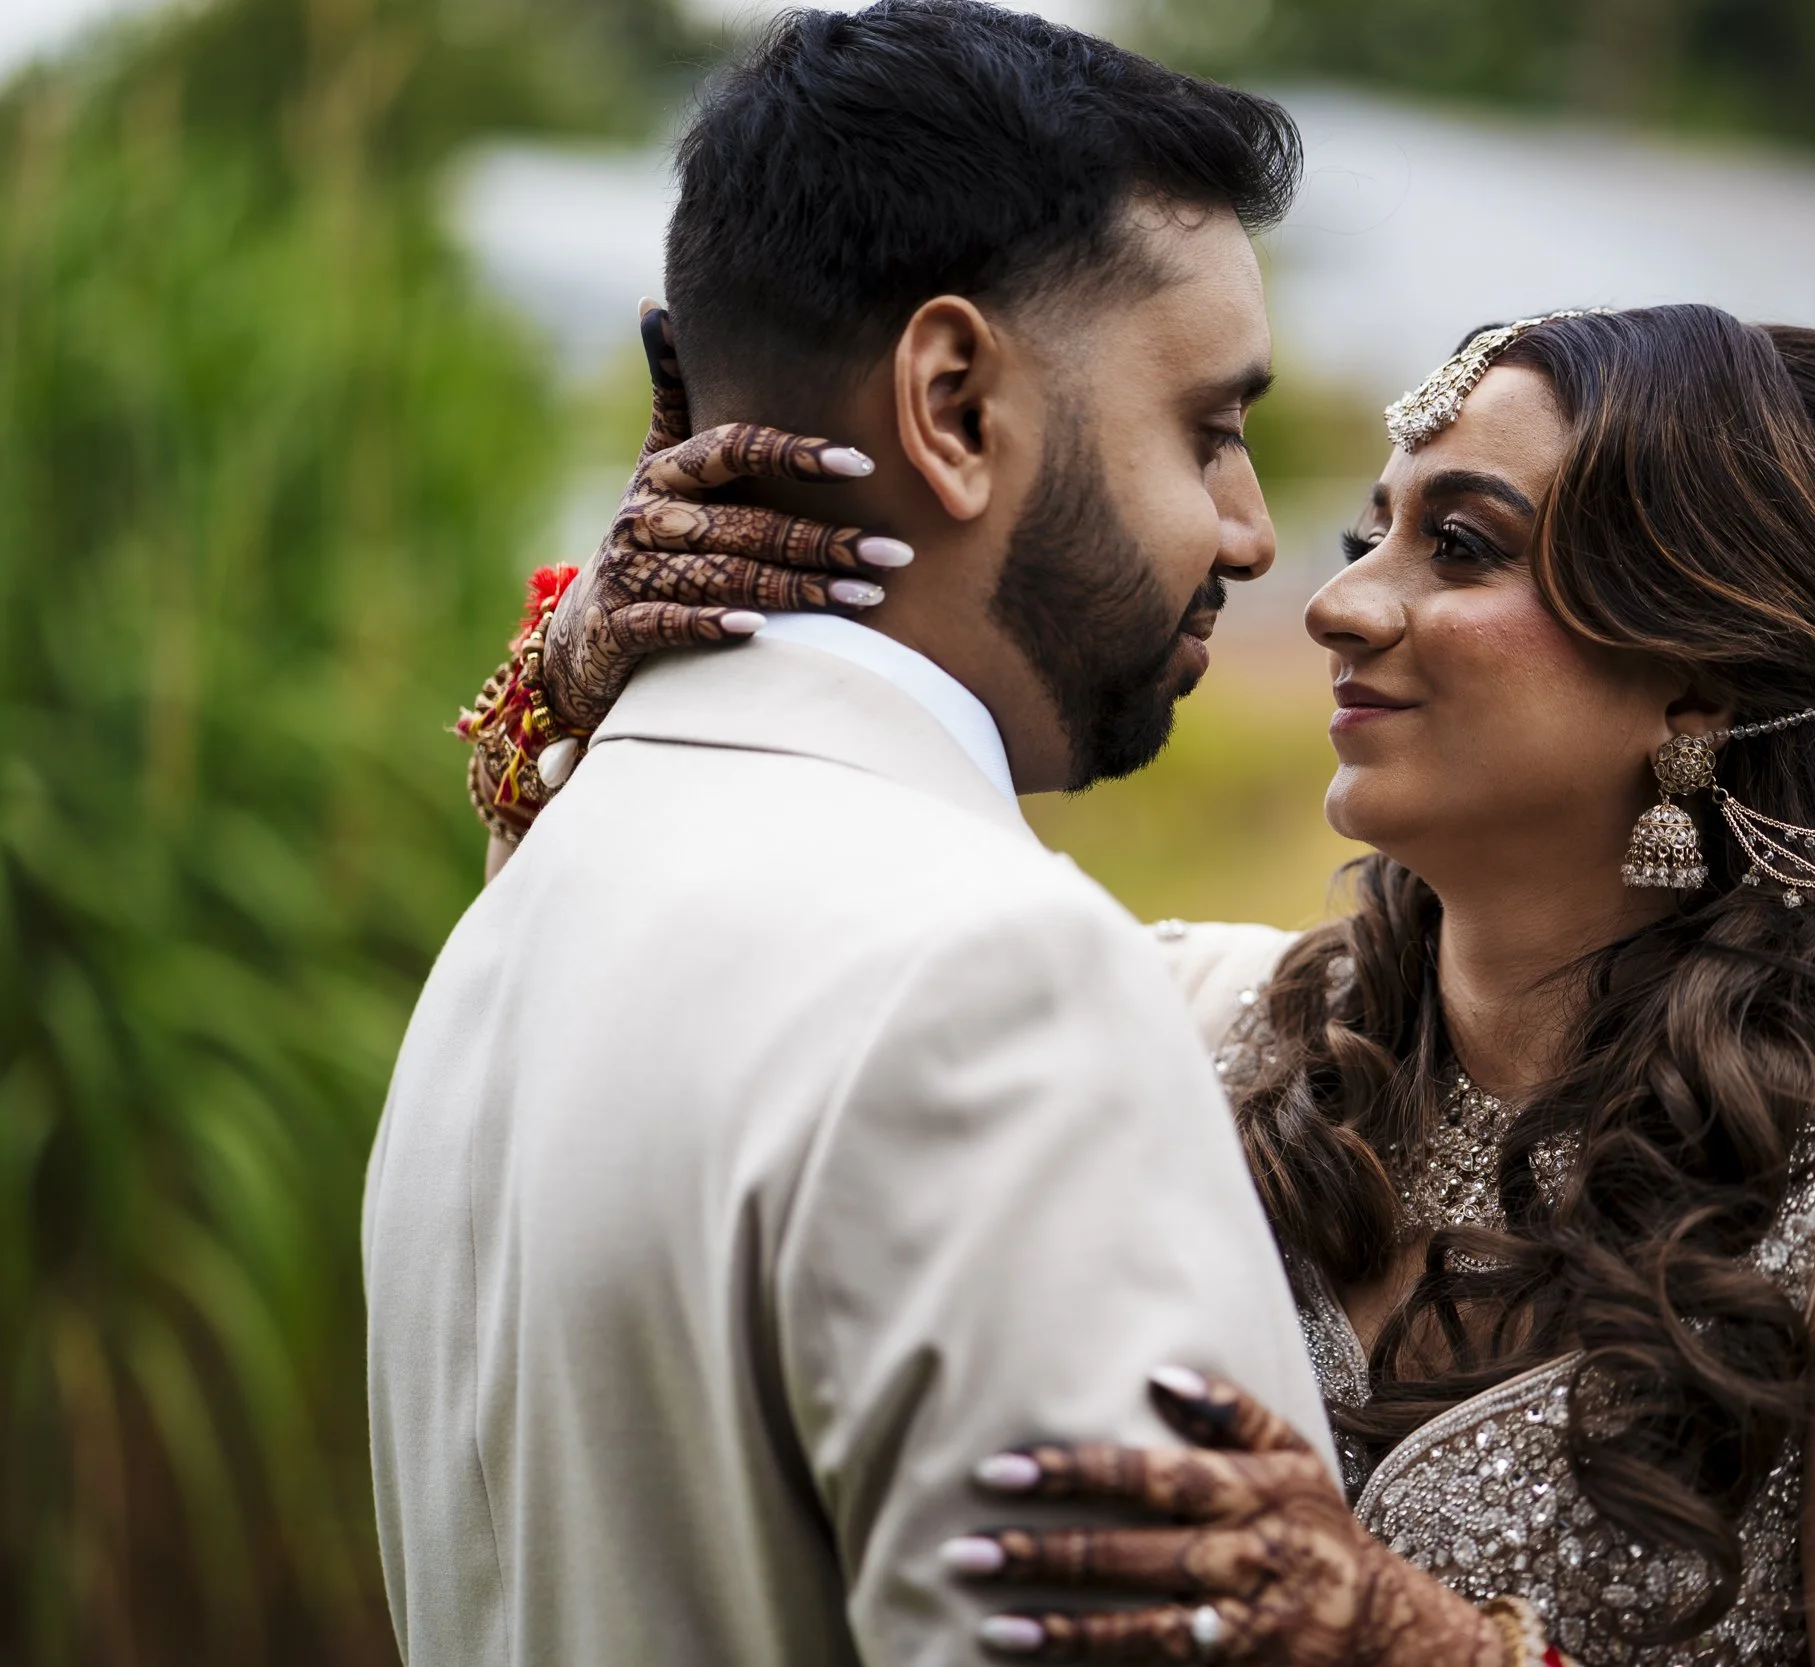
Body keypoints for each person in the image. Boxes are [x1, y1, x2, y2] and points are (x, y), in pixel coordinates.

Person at [511, 305, 1815, 1664]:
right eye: (1375, 533)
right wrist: (602, 677)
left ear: (1699, 673)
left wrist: (1423, 1645)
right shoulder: (1220, 1030)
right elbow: (682, 1001)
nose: (1344, 601)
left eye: (1461, 546)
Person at [363, 7, 1335, 1665]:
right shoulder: (985, 982)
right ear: (952, 403)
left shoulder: (518, 921)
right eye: (1209, 427)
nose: (1252, 535)